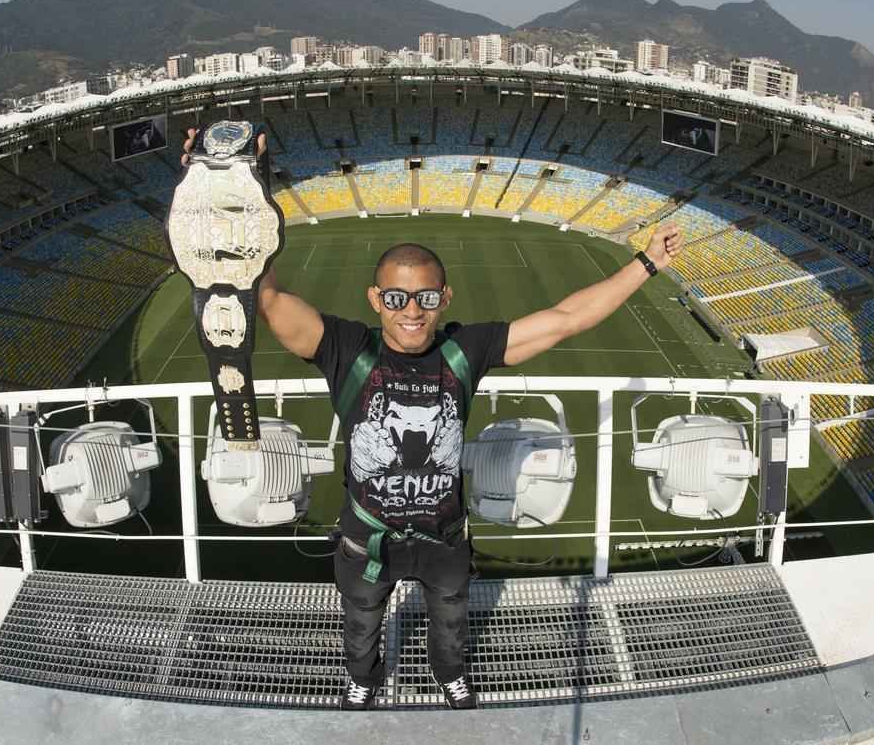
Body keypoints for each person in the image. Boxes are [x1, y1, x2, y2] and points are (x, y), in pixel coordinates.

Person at [181, 128, 684, 710]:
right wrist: (238, 183)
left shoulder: (463, 350)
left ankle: (451, 675)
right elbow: (266, 302)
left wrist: (646, 262)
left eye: (424, 298)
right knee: (361, 621)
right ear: (376, 299)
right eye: (396, 298)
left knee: (450, 622)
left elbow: (566, 318)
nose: (411, 311)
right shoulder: (346, 348)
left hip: (444, 539)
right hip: (366, 537)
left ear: (444, 299)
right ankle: (362, 680)